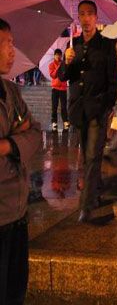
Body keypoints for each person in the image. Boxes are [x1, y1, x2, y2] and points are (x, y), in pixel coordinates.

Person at [58, 0, 117, 223]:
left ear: (96, 17)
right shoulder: (73, 46)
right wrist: (66, 62)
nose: (85, 18)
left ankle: (86, 204)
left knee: (92, 155)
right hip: (78, 110)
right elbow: (63, 77)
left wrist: (107, 106)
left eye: (89, 14)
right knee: (87, 155)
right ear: (78, 18)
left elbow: (113, 81)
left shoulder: (106, 45)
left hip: (98, 109)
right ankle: (97, 188)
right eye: (81, 14)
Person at [0, 18, 42, 304]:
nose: (12, 51)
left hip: (17, 213)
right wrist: (19, 134)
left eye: (12, 43)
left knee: (15, 292)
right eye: (7, 44)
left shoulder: (11, 91)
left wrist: (8, 144)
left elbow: (35, 133)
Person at [49, 49, 69, 132]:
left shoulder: (64, 64)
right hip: (55, 88)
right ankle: (54, 122)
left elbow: (66, 74)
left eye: (59, 55)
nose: (58, 56)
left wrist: (64, 66)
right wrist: (58, 67)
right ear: (54, 55)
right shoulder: (51, 65)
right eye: (57, 55)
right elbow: (53, 75)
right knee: (54, 106)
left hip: (63, 88)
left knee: (64, 106)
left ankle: (65, 121)